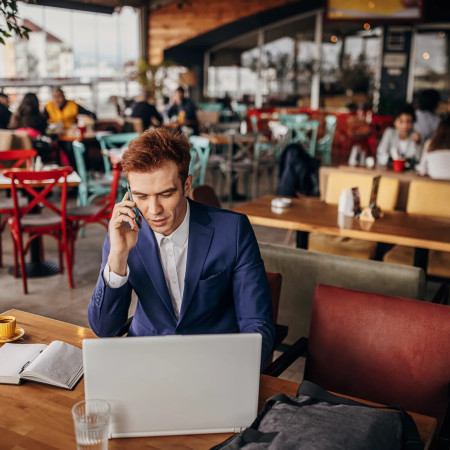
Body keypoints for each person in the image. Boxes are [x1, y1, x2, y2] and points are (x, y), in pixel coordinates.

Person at [88, 128, 275, 366]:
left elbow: (257, 324)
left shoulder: (233, 230)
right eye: (142, 196)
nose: (154, 210)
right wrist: (118, 255)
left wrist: (234, 372)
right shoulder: (122, 234)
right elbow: (104, 329)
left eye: (166, 194)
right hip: (147, 362)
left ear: (186, 186)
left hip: (217, 364)